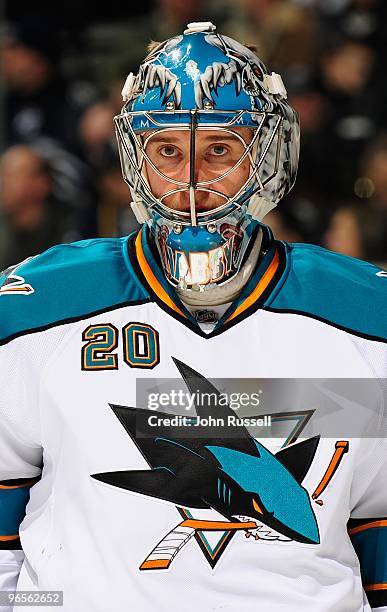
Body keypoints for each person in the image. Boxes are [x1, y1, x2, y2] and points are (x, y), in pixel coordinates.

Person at [0, 22, 386, 612]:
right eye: (168, 151)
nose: (191, 182)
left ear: (270, 155)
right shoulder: (40, 305)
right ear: (133, 158)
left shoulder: (365, 315)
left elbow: (377, 520)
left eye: (220, 151)